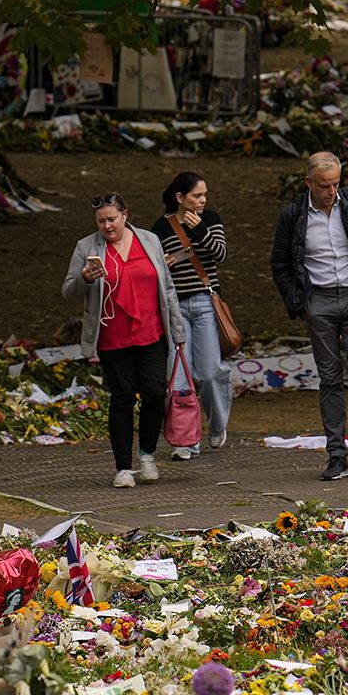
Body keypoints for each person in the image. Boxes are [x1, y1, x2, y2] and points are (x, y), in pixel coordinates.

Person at [269, 152, 348, 481]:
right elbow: (280, 262)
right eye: (325, 186)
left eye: (337, 184)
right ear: (309, 182)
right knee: (329, 379)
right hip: (319, 300)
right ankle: (336, 455)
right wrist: (298, 300)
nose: (331, 192)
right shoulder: (294, 213)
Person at [62, 194, 187, 488]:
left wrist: (178, 331)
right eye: (101, 221)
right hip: (112, 337)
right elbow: (68, 291)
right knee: (123, 398)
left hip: (151, 332)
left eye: (111, 219)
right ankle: (123, 468)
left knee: (155, 394)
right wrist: (86, 278)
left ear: (125, 215)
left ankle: (147, 454)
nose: (106, 226)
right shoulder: (86, 246)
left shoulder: (149, 240)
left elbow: (167, 287)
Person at [151, 172, 231, 460]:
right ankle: (185, 442)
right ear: (180, 198)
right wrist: (165, 264)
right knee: (180, 374)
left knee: (210, 372)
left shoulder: (210, 219)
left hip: (205, 301)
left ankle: (218, 424)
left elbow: (220, 255)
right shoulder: (161, 227)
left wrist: (199, 232)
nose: (203, 200)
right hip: (175, 306)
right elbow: (153, 271)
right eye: (197, 195)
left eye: (204, 195)